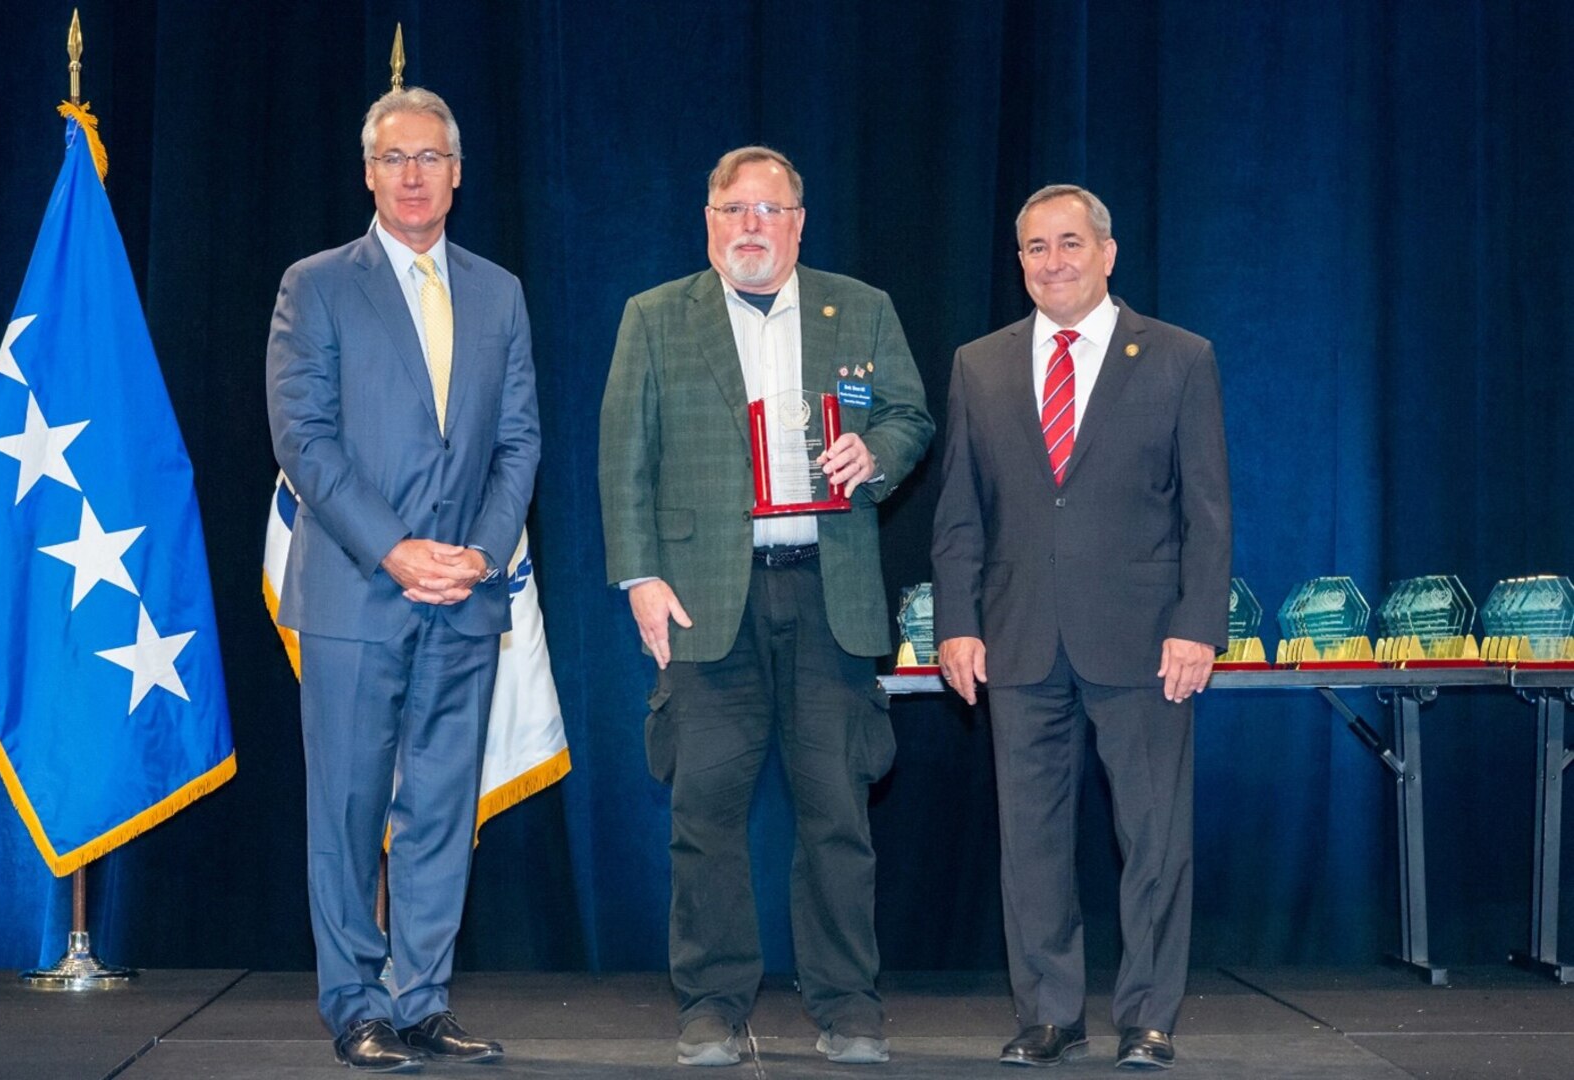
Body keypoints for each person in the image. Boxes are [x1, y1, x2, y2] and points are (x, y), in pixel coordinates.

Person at [598, 146, 933, 1067]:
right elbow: (622, 456)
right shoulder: (655, 317)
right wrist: (640, 577)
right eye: (734, 209)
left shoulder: (858, 307)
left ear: (798, 222)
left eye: (770, 210)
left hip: (831, 593)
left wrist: (877, 453)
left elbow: (910, 415)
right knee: (702, 814)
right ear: (708, 220)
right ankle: (709, 1005)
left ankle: (847, 1005)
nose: (752, 225)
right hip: (705, 602)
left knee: (837, 812)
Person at [266, 87, 540, 1073]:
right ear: (369, 172)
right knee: (345, 810)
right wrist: (394, 549)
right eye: (395, 158)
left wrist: (480, 550)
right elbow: (302, 438)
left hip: (465, 591)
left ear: (458, 173)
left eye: (430, 157)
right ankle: (357, 1005)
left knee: (437, 807)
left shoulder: (499, 291)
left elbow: (518, 440)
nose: (414, 174)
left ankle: (421, 1000)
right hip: (353, 588)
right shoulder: (317, 285)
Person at [931, 184, 1230, 1071]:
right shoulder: (977, 363)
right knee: (1029, 844)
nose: (1051, 261)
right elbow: (958, 512)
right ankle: (1049, 1016)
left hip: (1145, 642)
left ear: (1106, 254)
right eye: (1033, 247)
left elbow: (1206, 511)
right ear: (1017, 260)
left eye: (1068, 243)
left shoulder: (1178, 356)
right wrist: (956, 622)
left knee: (1152, 837)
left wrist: (1197, 626)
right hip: (1016, 637)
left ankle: (1148, 1018)